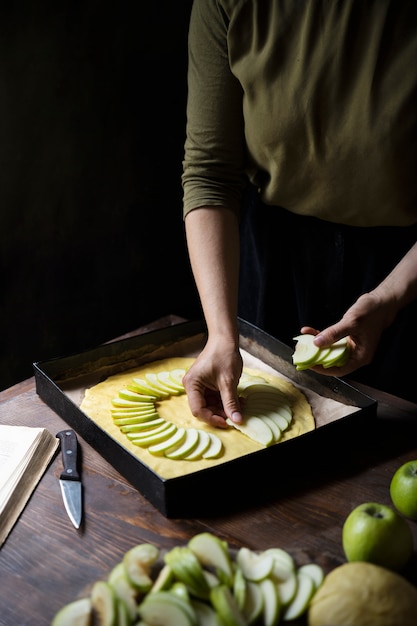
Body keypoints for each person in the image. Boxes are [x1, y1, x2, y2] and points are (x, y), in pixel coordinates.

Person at [181, 0, 417, 428]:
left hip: (406, 269)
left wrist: (387, 302)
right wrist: (220, 333)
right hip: (274, 258)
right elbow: (209, 174)